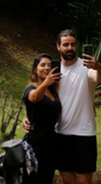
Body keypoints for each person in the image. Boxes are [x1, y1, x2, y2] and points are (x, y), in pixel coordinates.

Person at [24, 30, 101, 184]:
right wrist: (29, 117)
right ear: (58, 47)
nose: (70, 48)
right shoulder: (54, 72)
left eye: (73, 44)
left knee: (84, 181)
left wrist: (98, 67)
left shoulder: (86, 67)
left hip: (84, 133)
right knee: (67, 179)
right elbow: (41, 99)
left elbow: (100, 78)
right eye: (66, 44)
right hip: (60, 133)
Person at [22, 53, 61, 184]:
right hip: (35, 144)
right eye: (42, 65)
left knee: (47, 179)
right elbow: (34, 98)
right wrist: (45, 83)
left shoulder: (53, 90)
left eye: (49, 65)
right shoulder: (31, 88)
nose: (46, 68)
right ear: (35, 69)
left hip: (51, 143)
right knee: (32, 180)